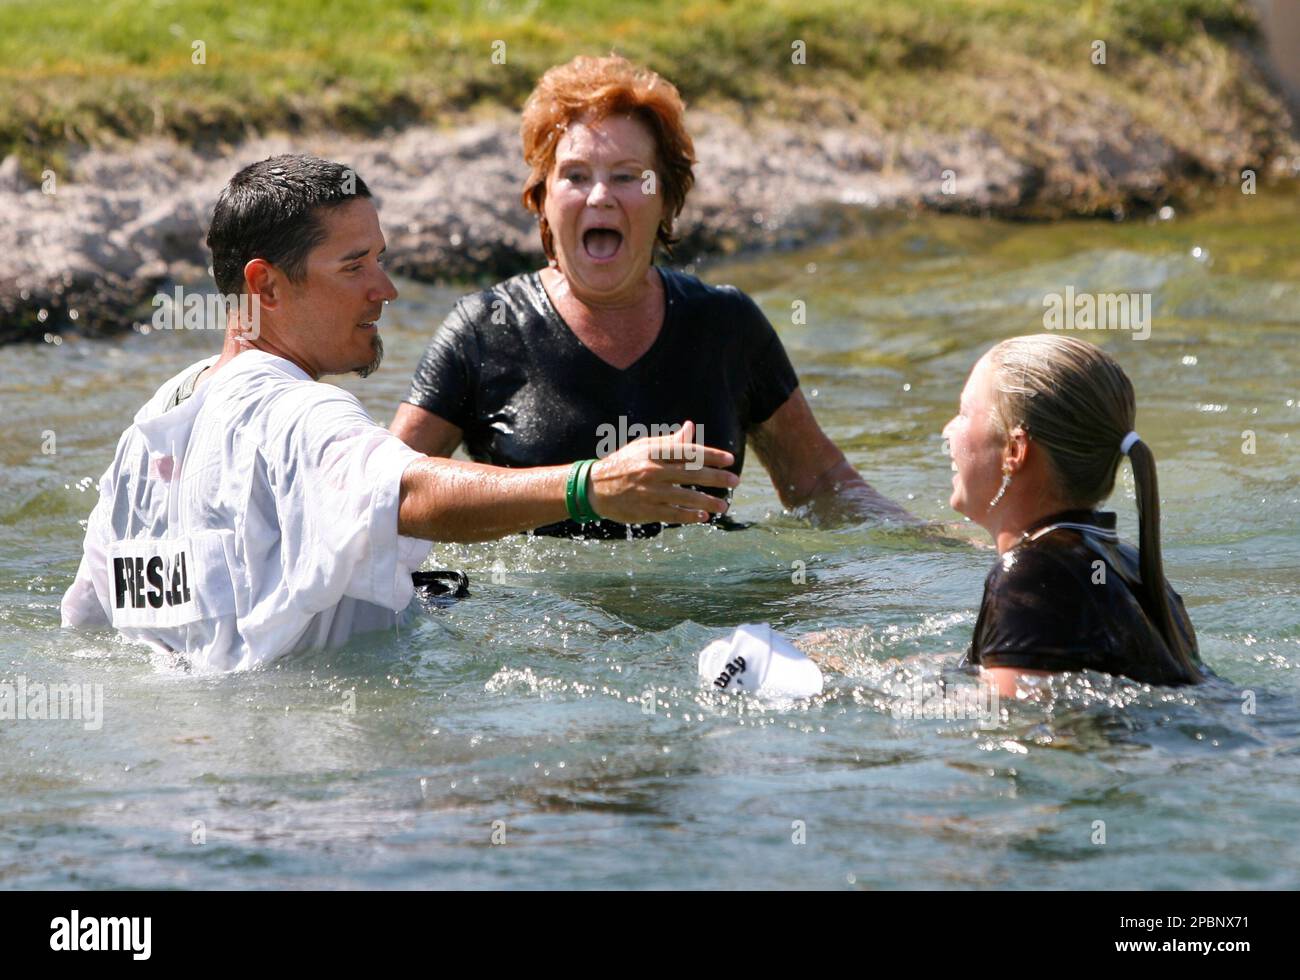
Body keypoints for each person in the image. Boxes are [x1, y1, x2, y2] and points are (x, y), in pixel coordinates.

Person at [60, 155, 737, 671]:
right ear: (264, 285)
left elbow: (89, 627)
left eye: (379, 260)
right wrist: (590, 488)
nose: (385, 290)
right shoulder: (298, 413)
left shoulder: (151, 427)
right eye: (354, 266)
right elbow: (407, 488)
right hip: (325, 792)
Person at [391, 54, 908, 538]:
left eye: (626, 176)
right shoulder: (485, 329)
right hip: (543, 624)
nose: (600, 196)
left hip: (710, 619)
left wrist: (939, 549)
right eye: (575, 176)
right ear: (542, 202)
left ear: (667, 200)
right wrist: (585, 489)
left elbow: (822, 486)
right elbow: (391, 493)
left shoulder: (726, 324)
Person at [943, 334, 1203, 695]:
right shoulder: (1123, 560)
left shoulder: (1033, 576)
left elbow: (1019, 724)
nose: (948, 431)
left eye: (964, 413)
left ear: (1014, 450)